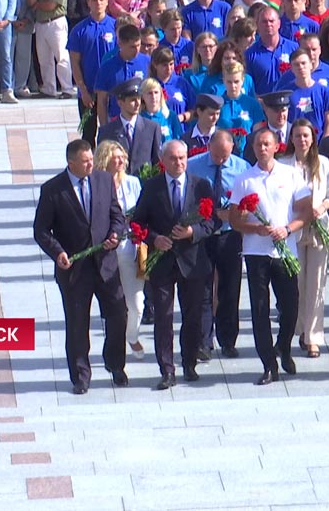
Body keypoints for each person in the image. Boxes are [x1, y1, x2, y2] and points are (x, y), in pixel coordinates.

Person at [33, 139, 129, 394]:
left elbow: (116, 215)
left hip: (105, 265)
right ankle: (80, 375)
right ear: (71, 163)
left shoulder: (104, 180)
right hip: (74, 270)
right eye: (85, 161)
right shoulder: (53, 189)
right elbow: (41, 230)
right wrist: (58, 252)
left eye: (91, 159)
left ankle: (115, 364)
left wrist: (115, 234)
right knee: (77, 323)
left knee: (119, 314)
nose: (90, 165)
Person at [131, 140, 218, 389]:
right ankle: (166, 369)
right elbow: (138, 223)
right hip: (163, 263)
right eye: (173, 158)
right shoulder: (152, 187)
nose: (178, 163)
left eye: (182, 158)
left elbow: (213, 222)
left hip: (192, 261)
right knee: (164, 317)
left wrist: (193, 231)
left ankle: (189, 363)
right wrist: (154, 238)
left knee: (192, 316)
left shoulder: (201, 185)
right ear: (163, 160)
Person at [229, 128, 313, 385]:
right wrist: (256, 228)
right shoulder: (245, 179)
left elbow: (305, 211)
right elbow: (234, 219)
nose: (262, 149)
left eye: (267, 144)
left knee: (290, 305)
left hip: (285, 249)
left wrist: (287, 229)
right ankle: (268, 363)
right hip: (256, 252)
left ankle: (284, 346)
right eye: (258, 145)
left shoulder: (291, 174)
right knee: (260, 309)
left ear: (276, 146)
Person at [186, 129, 251, 359]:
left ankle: (228, 339)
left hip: (229, 234)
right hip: (203, 235)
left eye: (224, 156)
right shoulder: (193, 165)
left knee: (230, 288)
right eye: (216, 156)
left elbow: (248, 201)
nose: (220, 160)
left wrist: (235, 214)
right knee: (202, 290)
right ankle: (203, 342)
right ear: (209, 147)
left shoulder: (241, 168)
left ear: (232, 149)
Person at [278, 119, 329, 358]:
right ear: (291, 138)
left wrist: (321, 207)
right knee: (298, 284)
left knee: (317, 283)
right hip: (295, 229)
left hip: (319, 228)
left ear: (313, 139)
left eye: (306, 135)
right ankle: (299, 330)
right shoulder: (282, 165)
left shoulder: (323, 164)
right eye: (298, 135)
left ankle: (313, 337)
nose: (302, 140)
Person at [93, 140, 147, 359]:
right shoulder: (96, 184)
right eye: (116, 157)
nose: (121, 160)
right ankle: (115, 346)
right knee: (113, 304)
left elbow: (144, 212)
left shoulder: (133, 183)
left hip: (130, 248)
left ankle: (131, 335)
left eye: (123, 156)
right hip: (105, 250)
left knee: (137, 304)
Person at [68, 0, 117, 146]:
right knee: (89, 133)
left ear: (107, 1)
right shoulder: (79, 30)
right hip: (88, 91)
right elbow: (74, 62)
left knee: (111, 131)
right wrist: (82, 90)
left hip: (111, 91)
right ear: (88, 2)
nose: (98, 3)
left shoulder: (116, 27)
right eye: (94, 0)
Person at [31, 0, 76, 99]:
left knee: (61, 56)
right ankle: (48, 88)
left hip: (56, 22)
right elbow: (31, 3)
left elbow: (51, 5)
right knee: (44, 59)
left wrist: (37, 4)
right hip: (41, 23)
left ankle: (67, 88)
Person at [98, 78, 164, 175]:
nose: (137, 104)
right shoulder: (107, 131)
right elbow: (101, 164)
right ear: (120, 103)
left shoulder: (152, 128)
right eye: (132, 100)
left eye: (139, 99)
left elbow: (157, 162)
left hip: (144, 186)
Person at [93, 23, 151, 124]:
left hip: (142, 121)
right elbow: (102, 101)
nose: (137, 50)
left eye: (138, 45)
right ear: (120, 44)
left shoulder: (147, 62)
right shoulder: (107, 67)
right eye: (132, 47)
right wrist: (104, 128)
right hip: (117, 121)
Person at [245, 5, 300, 96]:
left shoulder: (294, 48)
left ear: (279, 23)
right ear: (257, 25)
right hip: (263, 106)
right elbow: (248, 87)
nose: (268, 24)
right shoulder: (249, 54)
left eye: (271, 21)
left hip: (290, 105)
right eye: (264, 21)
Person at [285, 50, 329, 139]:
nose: (301, 67)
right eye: (296, 65)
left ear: (311, 65)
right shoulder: (287, 93)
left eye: (303, 63)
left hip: (319, 143)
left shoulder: (324, 92)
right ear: (291, 69)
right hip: (296, 142)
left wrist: (325, 143)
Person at [139, 77, 184, 143]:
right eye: (149, 93)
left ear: (161, 94)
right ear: (142, 96)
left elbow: (179, 141)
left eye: (156, 92)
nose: (153, 96)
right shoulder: (139, 117)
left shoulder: (170, 116)